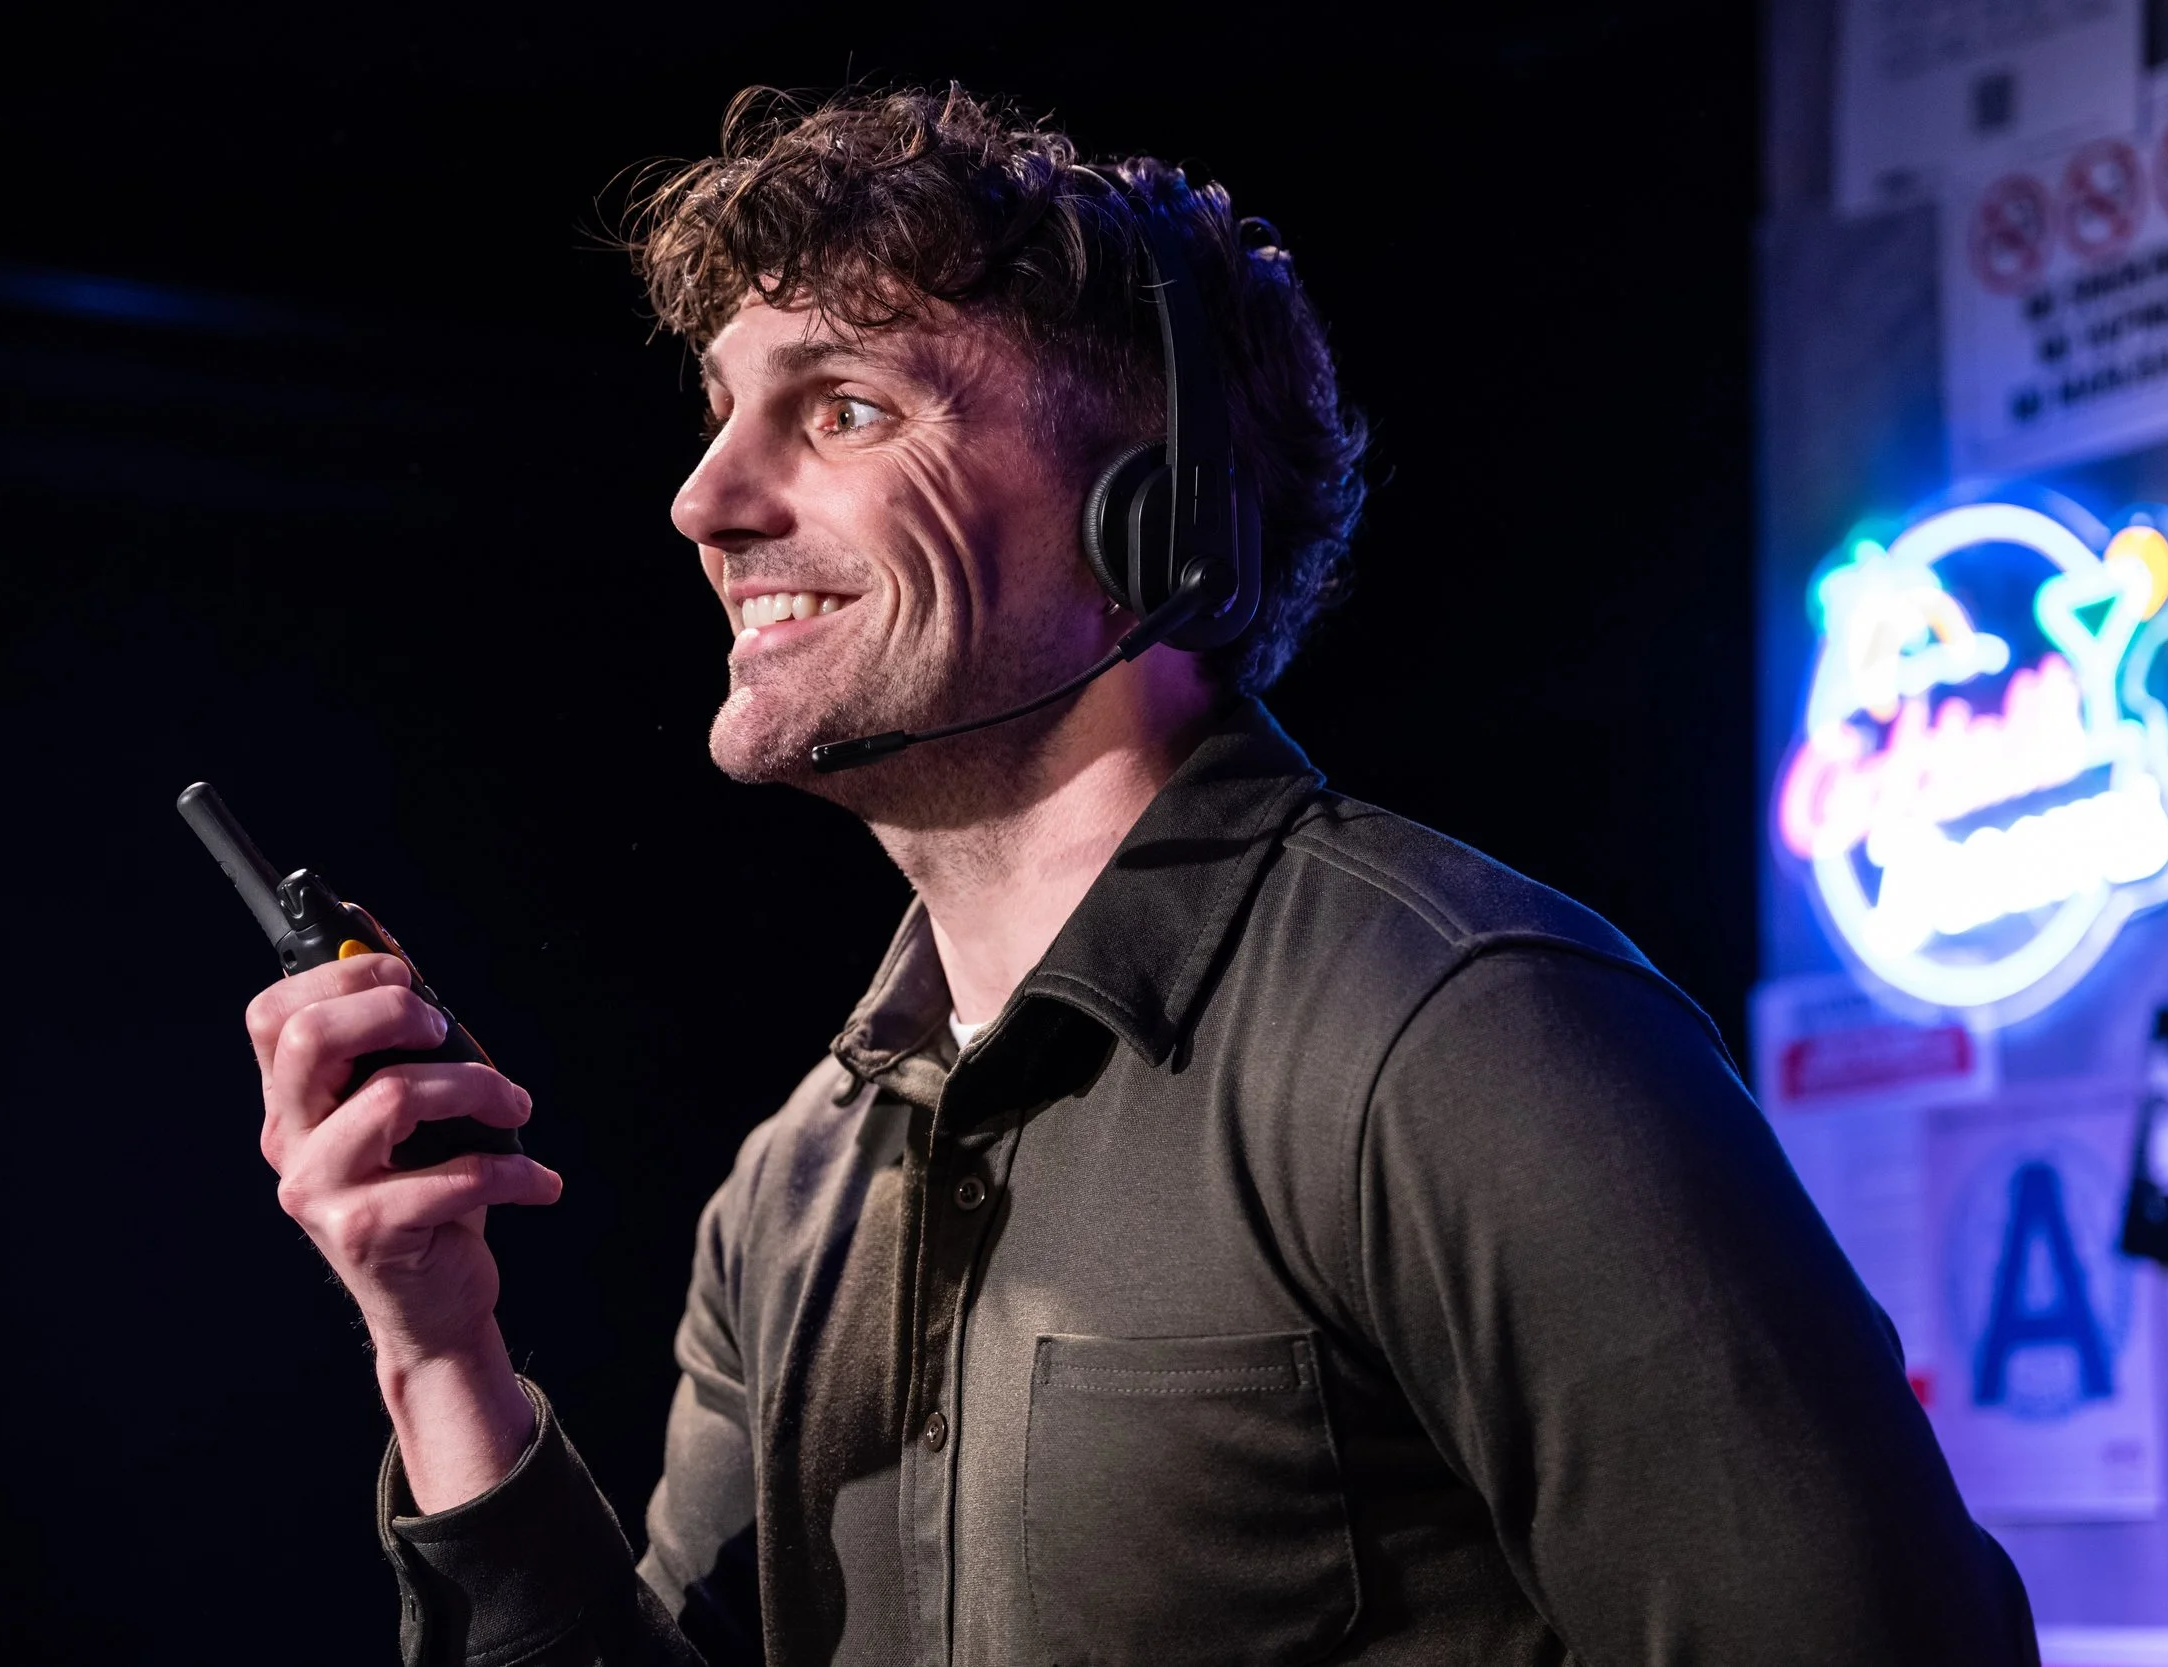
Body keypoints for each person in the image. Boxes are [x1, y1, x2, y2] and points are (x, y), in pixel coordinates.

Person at [243, 84, 2037, 1666]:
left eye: (844, 409)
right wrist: (439, 1348)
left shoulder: (1460, 1038)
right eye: (719, 414)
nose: (704, 503)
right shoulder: (792, 1189)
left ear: (1151, 523)